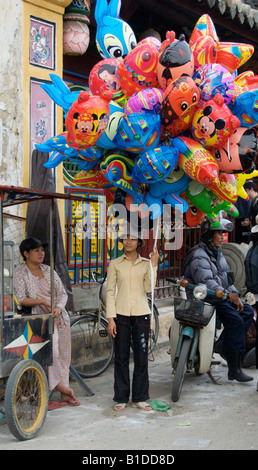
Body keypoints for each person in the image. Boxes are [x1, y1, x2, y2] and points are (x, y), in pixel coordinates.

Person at [182, 219, 254, 382]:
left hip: (219, 295)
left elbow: (226, 280)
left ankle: (222, 345)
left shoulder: (218, 253)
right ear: (209, 236)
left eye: (223, 234)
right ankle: (234, 368)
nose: (222, 237)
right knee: (235, 321)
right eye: (219, 234)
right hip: (205, 297)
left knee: (247, 311)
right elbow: (207, 282)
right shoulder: (199, 255)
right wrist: (228, 296)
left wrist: (235, 296)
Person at [14, 237, 80, 408]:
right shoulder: (20, 272)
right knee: (52, 354)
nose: (41, 253)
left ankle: (63, 394)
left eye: (42, 250)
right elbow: (21, 299)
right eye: (36, 250)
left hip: (59, 317)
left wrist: (58, 307)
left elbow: (62, 293)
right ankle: (57, 389)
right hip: (40, 320)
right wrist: (42, 302)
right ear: (25, 254)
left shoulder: (49, 270)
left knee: (64, 355)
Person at [106, 225, 159, 411]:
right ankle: (121, 397)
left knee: (141, 357)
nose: (128, 241)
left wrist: (154, 265)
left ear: (138, 242)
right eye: (125, 238)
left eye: (132, 238)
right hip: (120, 315)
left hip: (141, 315)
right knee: (120, 357)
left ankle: (139, 397)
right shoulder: (115, 264)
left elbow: (148, 288)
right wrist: (110, 318)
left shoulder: (146, 263)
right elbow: (110, 291)